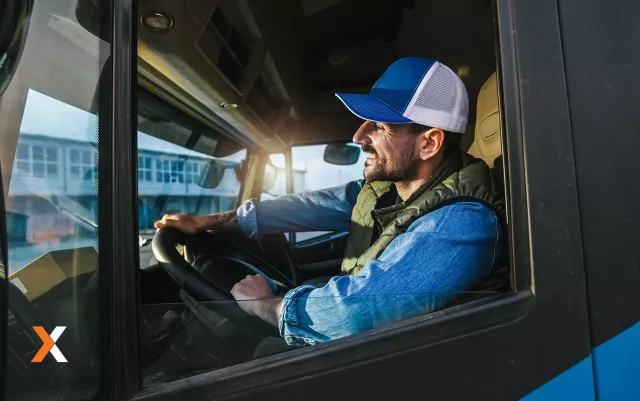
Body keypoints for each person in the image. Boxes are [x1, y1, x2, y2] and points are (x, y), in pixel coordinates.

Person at [155, 58, 506, 346]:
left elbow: (354, 314)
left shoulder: (462, 221)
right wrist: (210, 222)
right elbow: (310, 206)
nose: (358, 136)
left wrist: (268, 306)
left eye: (379, 127)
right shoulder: (389, 190)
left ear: (428, 143)